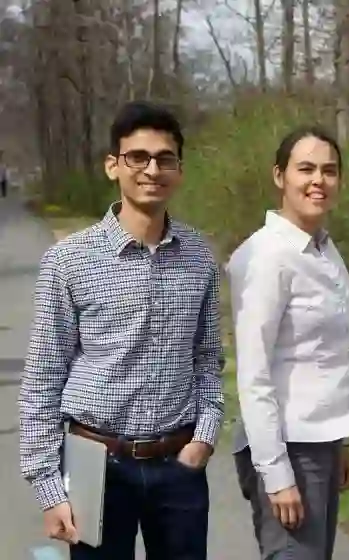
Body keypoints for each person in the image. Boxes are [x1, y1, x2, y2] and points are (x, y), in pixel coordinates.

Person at [18, 100, 225, 560]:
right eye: (138, 157)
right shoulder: (69, 261)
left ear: (179, 170)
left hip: (179, 466)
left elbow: (208, 360)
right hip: (94, 464)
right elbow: (43, 379)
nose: (152, 169)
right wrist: (49, 487)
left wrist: (204, 438)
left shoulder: (199, 257)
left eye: (165, 159)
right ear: (113, 165)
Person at [227, 126, 349, 560]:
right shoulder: (267, 256)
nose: (318, 180)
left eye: (329, 170)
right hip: (285, 446)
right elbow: (253, 373)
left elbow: (324, 356)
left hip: (319, 442)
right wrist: (276, 474)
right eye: (305, 169)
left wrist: (338, 442)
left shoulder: (323, 249)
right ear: (279, 176)